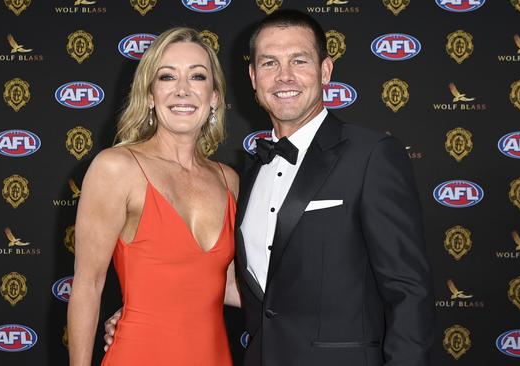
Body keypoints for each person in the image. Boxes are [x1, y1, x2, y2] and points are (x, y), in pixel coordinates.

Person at [106, 9, 435, 366]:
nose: (284, 76)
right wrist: (146, 311)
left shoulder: (370, 155)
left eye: (299, 60)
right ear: (252, 76)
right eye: (269, 63)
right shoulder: (245, 177)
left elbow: (409, 291)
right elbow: (244, 285)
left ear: (325, 71)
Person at [68, 27, 240, 366]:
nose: (182, 90)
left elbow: (232, 286)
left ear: (215, 96)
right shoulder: (117, 168)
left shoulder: (228, 179)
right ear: (149, 94)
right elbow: (88, 286)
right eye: (166, 77)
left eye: (198, 76)